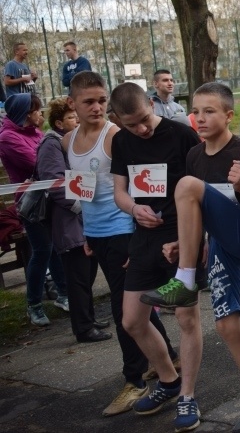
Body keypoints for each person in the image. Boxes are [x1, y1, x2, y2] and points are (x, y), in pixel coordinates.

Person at [139, 82, 240, 433]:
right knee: (226, 326)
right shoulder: (195, 156)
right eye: (196, 111)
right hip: (219, 242)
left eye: (209, 111)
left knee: (186, 185)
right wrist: (182, 243)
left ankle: (185, 280)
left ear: (229, 115)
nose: (199, 118)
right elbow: (201, 212)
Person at [65, 71, 180, 416]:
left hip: (125, 231)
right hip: (97, 233)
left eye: (102, 100)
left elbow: (138, 186)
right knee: (136, 308)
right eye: (89, 101)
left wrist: (137, 239)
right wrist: (86, 231)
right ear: (72, 104)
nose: (97, 107)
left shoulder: (117, 135)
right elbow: (81, 190)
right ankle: (167, 357)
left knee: (123, 312)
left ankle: (136, 381)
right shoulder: (66, 140)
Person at [110, 82, 201, 427]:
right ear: (118, 120)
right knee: (132, 320)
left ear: (151, 104)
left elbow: (203, 188)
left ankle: (188, 398)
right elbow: (119, 191)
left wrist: (197, 237)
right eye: (131, 124)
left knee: (185, 318)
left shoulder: (181, 134)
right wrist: (134, 209)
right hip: (144, 236)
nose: (141, 129)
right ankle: (168, 381)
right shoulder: (121, 141)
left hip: (182, 235)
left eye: (145, 119)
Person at [37, 97, 112, 343]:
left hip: (85, 217)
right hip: (70, 220)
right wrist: (80, 206)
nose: (76, 120)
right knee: (78, 276)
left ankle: (88, 318)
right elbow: (55, 182)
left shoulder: (76, 141)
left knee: (87, 274)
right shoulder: (52, 143)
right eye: (71, 117)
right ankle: (83, 327)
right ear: (59, 122)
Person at [0, 93, 69, 326]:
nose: (40, 114)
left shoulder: (36, 133)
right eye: (36, 110)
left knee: (56, 248)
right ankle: (34, 305)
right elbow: (39, 164)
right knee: (42, 251)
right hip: (31, 205)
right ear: (26, 114)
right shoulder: (8, 138)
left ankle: (63, 294)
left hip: (48, 199)